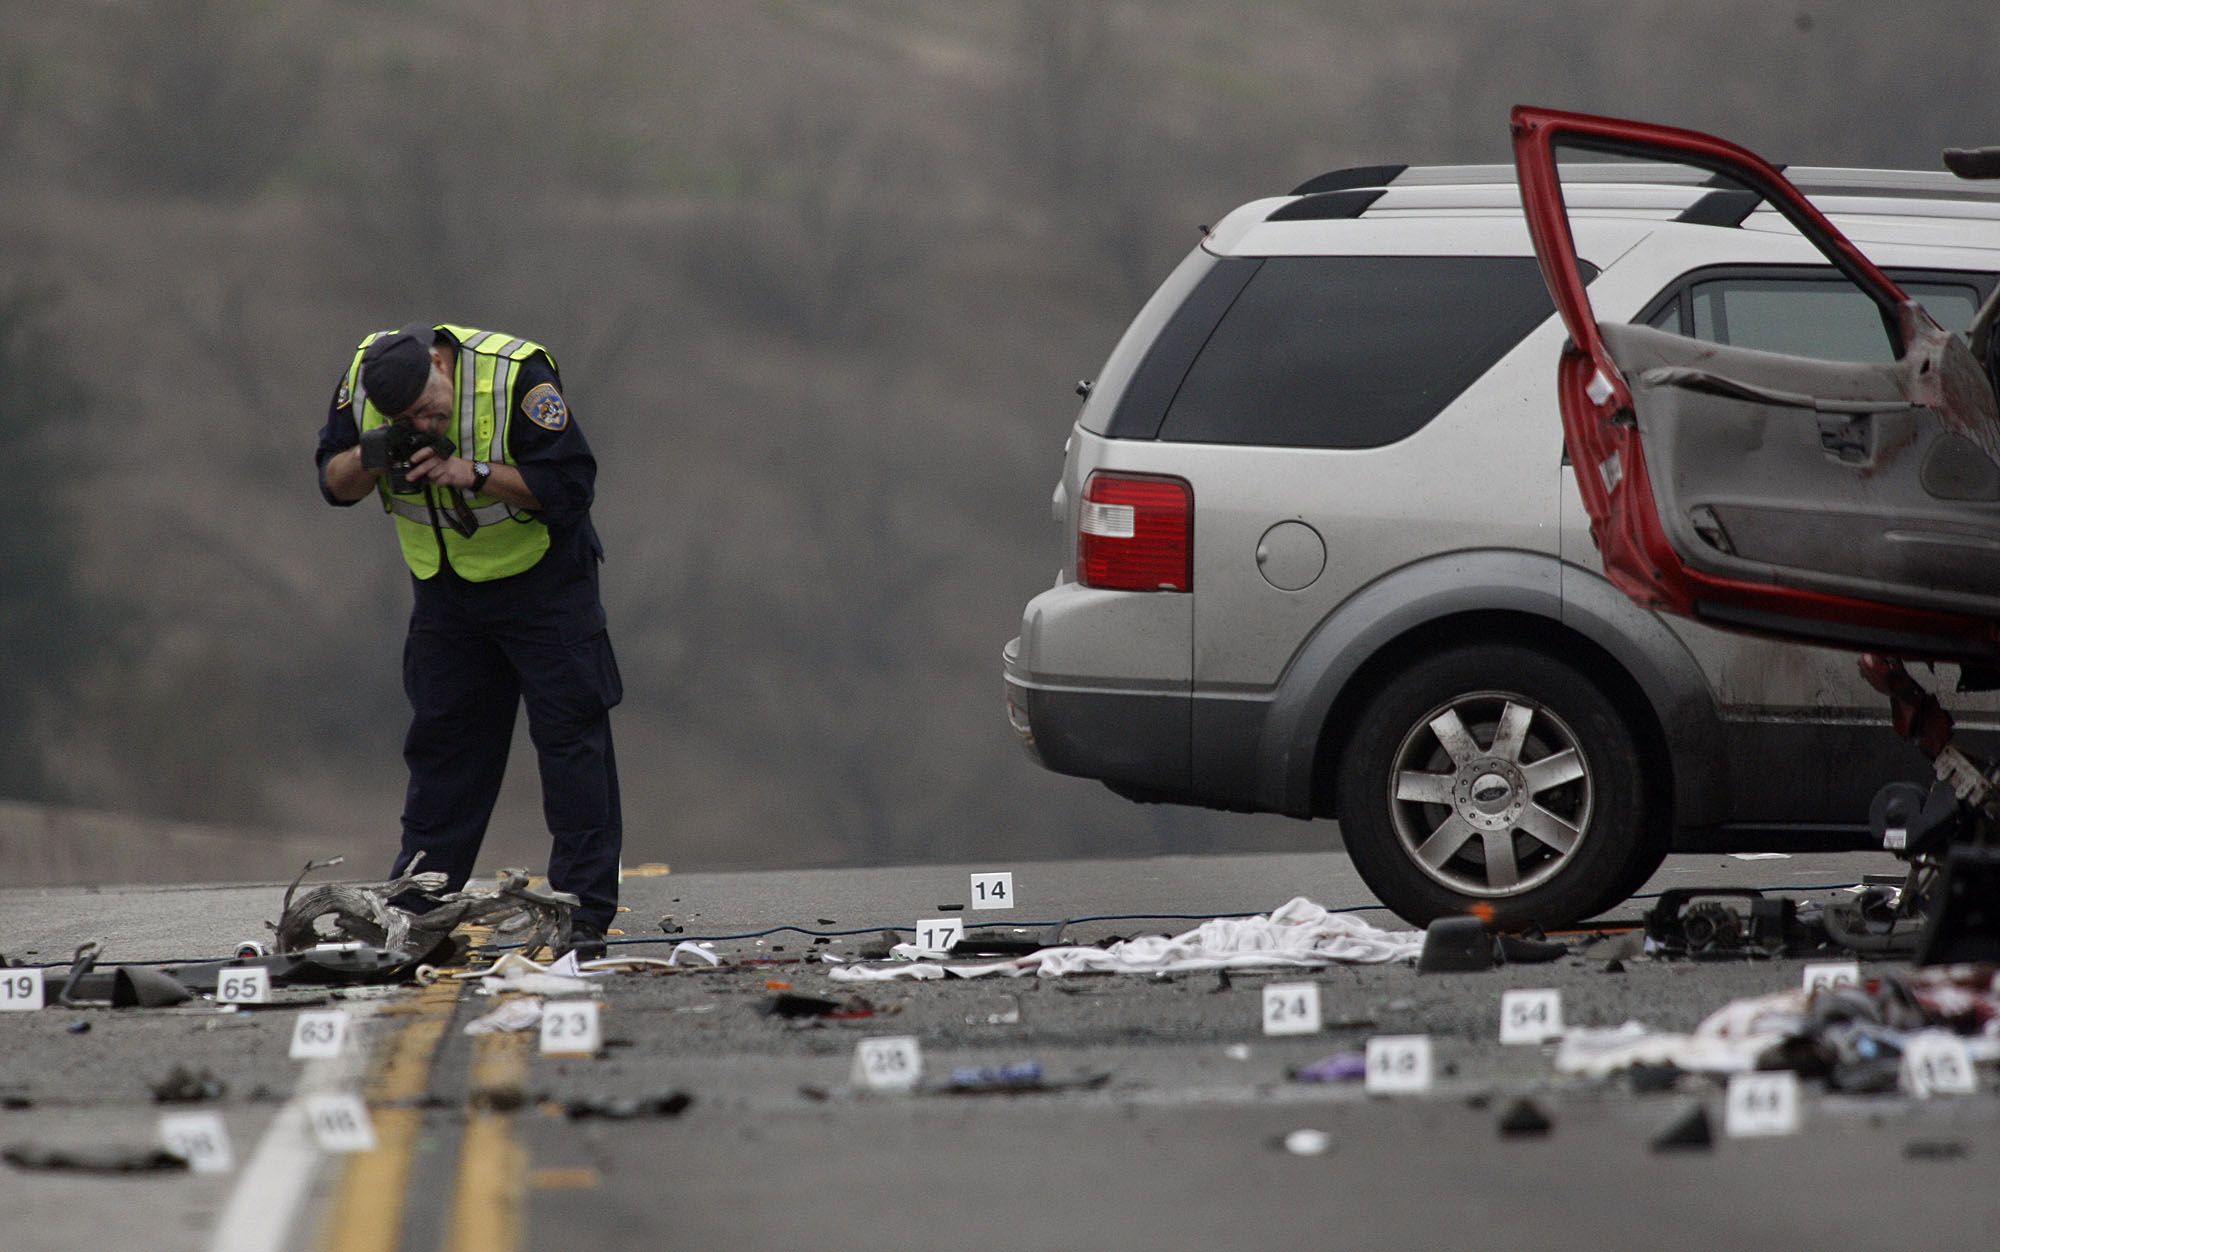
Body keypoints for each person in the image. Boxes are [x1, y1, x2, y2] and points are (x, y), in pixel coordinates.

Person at [316, 323, 622, 959]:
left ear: (440, 363)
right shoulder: (365, 378)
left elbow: (571, 486)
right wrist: (373, 455)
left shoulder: (516, 377)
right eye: (410, 419)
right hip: (445, 590)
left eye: (431, 410)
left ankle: (582, 911)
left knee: (570, 743)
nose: (424, 425)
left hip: (545, 585)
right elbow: (332, 482)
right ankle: (418, 905)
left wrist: (471, 472)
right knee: (444, 749)